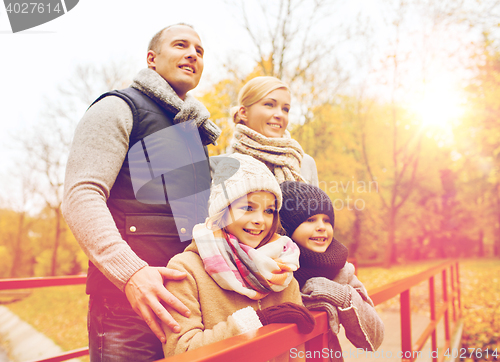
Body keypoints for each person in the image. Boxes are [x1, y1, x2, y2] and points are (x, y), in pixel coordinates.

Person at [62, 23, 220, 361]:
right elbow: (81, 195)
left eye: (200, 50)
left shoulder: (194, 132)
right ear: (152, 58)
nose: (193, 53)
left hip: (188, 305)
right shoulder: (118, 108)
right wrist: (131, 273)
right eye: (181, 45)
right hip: (125, 307)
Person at [162, 154, 315, 358]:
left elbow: (297, 352)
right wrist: (257, 321)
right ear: (222, 210)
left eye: (269, 211)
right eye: (248, 208)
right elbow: (181, 351)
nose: (260, 220)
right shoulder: (186, 269)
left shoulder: (283, 266)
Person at [279, 181, 384, 361]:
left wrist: (341, 296)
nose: (322, 227)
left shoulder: (340, 271)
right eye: (310, 219)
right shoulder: (270, 269)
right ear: (287, 227)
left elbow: (375, 338)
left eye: (327, 220)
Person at [213, 76, 318, 186]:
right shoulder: (217, 166)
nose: (280, 115)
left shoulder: (304, 163)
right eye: (269, 105)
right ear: (243, 113)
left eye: (285, 109)